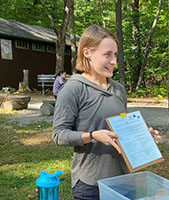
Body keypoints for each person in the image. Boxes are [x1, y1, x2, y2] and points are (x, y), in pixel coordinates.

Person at [52, 25, 160, 200]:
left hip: (124, 180)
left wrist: (141, 135)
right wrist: (93, 135)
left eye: (115, 54)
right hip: (90, 183)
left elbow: (120, 128)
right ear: (87, 52)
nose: (114, 61)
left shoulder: (118, 89)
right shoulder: (73, 88)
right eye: (107, 54)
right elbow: (58, 135)